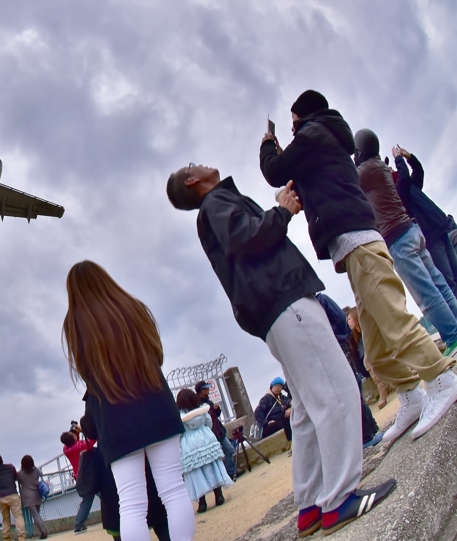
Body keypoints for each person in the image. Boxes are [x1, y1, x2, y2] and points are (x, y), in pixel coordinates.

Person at [165, 157, 394, 537]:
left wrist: (277, 209)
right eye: (194, 164)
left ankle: (310, 505)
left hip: (275, 311)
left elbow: (244, 239)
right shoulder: (215, 205)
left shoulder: (213, 208)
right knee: (335, 390)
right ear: (192, 181)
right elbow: (247, 239)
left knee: (305, 407)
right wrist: (282, 212)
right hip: (286, 301)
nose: (202, 162)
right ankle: (338, 500)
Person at [259, 90, 457, 446]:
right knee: (376, 346)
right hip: (352, 245)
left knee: (395, 321)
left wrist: (268, 143)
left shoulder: (315, 134)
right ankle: (410, 395)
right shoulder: (324, 142)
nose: (291, 130)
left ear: (304, 117)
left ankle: (441, 380)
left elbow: (275, 169)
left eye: (293, 122)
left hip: (360, 241)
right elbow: (306, 183)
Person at [62, 261, 193, 541]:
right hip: (155, 400)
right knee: (173, 490)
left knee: (131, 504)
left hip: (115, 416)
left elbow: (87, 373)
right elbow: (157, 355)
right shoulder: (133, 306)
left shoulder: (75, 322)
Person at [353, 128, 457, 350]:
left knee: (426, 296)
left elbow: (345, 183)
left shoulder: (365, 171)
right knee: (441, 285)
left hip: (398, 240)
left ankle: (453, 336)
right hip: (412, 231)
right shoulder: (380, 166)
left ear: (360, 151)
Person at [78, 411, 171, 541]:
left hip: (110, 456)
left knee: (119, 514)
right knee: (157, 512)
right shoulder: (135, 392)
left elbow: (89, 427)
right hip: (139, 445)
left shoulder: (96, 393)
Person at [393, 146, 457, 317]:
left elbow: (418, 170)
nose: (393, 170)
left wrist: (409, 156)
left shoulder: (411, 186)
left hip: (442, 230)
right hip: (432, 240)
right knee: (449, 281)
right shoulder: (399, 193)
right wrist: (398, 158)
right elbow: (404, 177)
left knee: (455, 274)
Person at [315, 294, 381, 448]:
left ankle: (366, 436)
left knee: (351, 394)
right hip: (337, 348)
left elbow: (340, 320)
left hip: (331, 352)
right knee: (353, 392)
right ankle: (371, 430)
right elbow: (340, 319)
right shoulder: (320, 301)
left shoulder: (318, 302)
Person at [175, 389, 232, 514]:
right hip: (206, 437)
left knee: (196, 471)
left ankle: (202, 503)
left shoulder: (179, 416)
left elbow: (179, 432)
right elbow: (209, 423)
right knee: (213, 466)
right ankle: (219, 495)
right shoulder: (202, 409)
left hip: (189, 442)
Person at [346, 306, 392, 409]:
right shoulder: (357, 337)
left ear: (356, 317)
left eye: (349, 319)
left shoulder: (367, 331)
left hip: (382, 351)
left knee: (367, 360)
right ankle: (383, 387)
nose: (348, 322)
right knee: (367, 360)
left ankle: (382, 388)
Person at [60, 424, 99, 534]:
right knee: (105, 496)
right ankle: (117, 515)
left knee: (87, 501)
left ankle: (78, 525)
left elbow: (71, 441)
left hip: (80, 478)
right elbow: (93, 439)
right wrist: (82, 430)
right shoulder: (80, 446)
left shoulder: (66, 449)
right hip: (91, 477)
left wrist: (75, 432)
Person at [193, 381, 234, 479]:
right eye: (206, 389)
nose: (208, 390)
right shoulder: (197, 404)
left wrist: (216, 409)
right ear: (202, 391)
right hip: (210, 434)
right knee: (218, 456)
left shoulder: (208, 401)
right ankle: (227, 475)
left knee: (229, 450)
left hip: (218, 431)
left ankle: (231, 473)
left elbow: (215, 416)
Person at [0, 454, 26, 541]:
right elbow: (15, 476)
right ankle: (21, 537)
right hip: (12, 494)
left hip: (0, 497)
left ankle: (6, 537)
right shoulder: (10, 467)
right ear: (2, 459)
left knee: (5, 519)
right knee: (18, 516)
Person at [16, 456, 48, 539]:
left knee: (35, 515)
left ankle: (43, 532)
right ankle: (43, 530)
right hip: (37, 494)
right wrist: (34, 466)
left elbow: (17, 478)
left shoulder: (20, 474)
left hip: (27, 496)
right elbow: (41, 473)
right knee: (37, 514)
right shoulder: (36, 471)